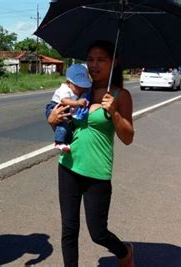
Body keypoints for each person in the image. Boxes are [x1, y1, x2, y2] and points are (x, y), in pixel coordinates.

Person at [47, 40, 135, 267]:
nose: (94, 65)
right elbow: (63, 122)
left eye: (101, 60)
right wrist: (52, 120)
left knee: (98, 232)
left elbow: (128, 138)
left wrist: (114, 112)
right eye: (91, 59)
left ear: (114, 62)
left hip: (97, 171)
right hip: (68, 164)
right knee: (69, 228)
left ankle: (124, 252)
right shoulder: (80, 90)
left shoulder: (120, 95)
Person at [45, 64, 91, 153]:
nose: (81, 89)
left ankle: (67, 142)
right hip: (55, 107)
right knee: (63, 125)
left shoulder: (80, 91)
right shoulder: (64, 89)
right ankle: (59, 142)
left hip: (66, 109)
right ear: (69, 83)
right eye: (78, 86)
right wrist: (77, 103)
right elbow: (64, 101)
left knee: (69, 126)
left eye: (84, 87)